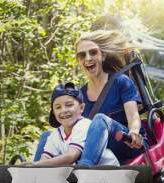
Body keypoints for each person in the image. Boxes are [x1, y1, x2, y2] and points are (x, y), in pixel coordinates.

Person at [74, 30, 143, 165]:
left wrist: (134, 131)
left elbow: (133, 117)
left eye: (93, 52)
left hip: (126, 143)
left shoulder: (120, 82)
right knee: (48, 136)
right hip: (99, 151)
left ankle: (83, 169)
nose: (88, 58)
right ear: (79, 61)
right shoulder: (79, 96)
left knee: (100, 119)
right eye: (82, 55)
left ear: (103, 56)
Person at [34, 82, 119, 166]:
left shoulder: (84, 125)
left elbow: (71, 156)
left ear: (81, 108)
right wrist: (36, 165)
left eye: (69, 105)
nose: (63, 110)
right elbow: (43, 161)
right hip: (87, 175)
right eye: (58, 107)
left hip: (108, 170)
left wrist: (35, 165)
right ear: (53, 112)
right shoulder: (55, 135)